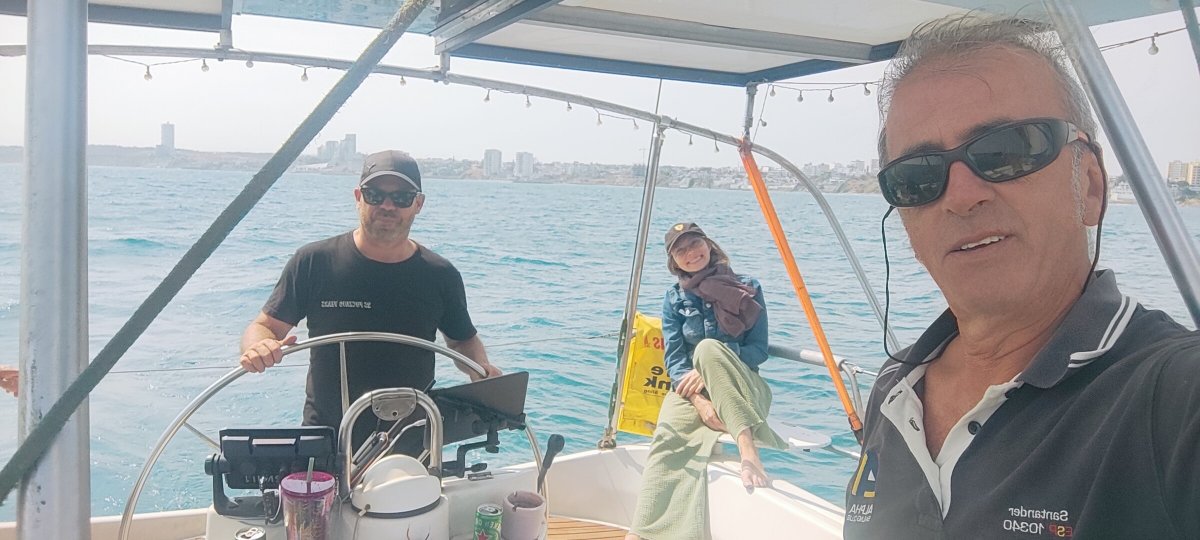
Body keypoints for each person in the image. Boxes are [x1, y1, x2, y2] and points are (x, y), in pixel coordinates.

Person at [847, 15, 1199, 539]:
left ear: (1092, 187)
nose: (962, 196)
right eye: (918, 175)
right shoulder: (896, 388)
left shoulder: (1174, 400)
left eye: (1005, 151)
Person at [239, 149, 501, 452]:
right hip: (325, 440)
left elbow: (461, 341)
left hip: (412, 441)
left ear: (418, 204)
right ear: (357, 197)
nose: (387, 205)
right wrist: (258, 346)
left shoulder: (441, 275)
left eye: (401, 197)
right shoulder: (313, 262)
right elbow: (265, 325)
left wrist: (479, 369)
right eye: (375, 194)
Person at [626, 223, 787, 540]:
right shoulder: (674, 299)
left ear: (709, 245)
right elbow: (673, 358)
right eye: (681, 250)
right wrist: (699, 401)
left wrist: (712, 361)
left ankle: (747, 449)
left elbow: (758, 350)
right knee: (666, 443)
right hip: (693, 391)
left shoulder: (747, 287)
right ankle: (641, 533)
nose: (691, 253)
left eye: (695, 243)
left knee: (708, 349)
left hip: (741, 383)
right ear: (674, 261)